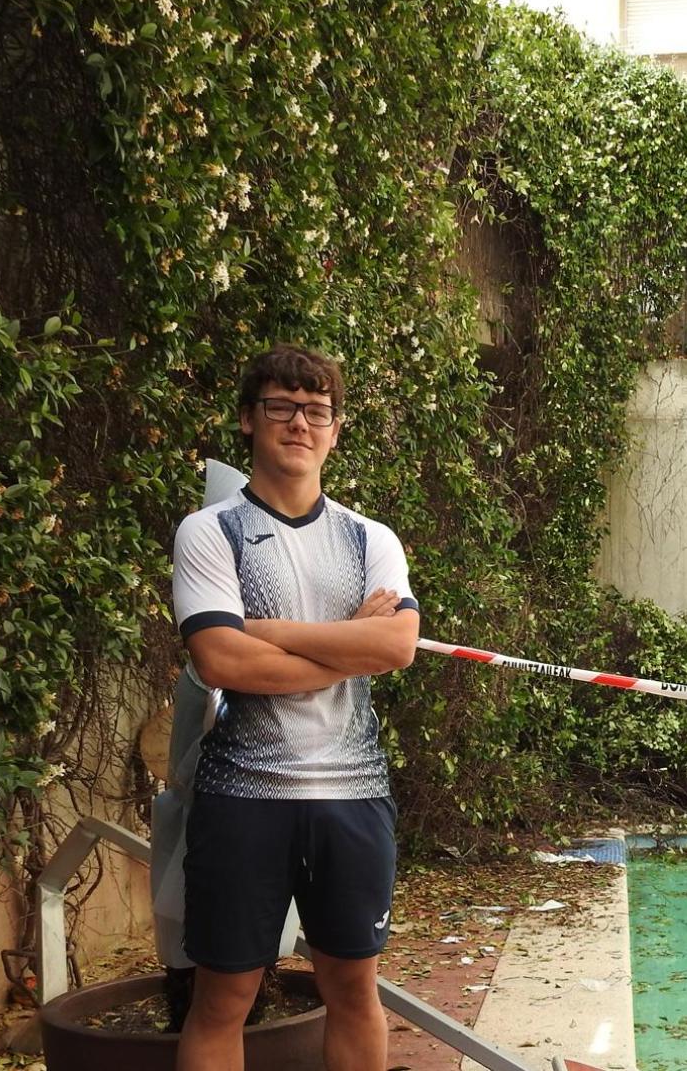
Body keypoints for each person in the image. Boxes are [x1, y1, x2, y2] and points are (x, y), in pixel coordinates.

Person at [169, 343, 419, 1070]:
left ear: (336, 429)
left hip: (353, 794)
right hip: (244, 794)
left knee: (353, 990)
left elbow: (397, 645)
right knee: (224, 998)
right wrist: (350, 641)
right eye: (281, 407)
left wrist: (271, 632)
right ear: (248, 420)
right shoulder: (209, 532)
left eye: (317, 410)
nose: (300, 423)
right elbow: (221, 660)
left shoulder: (370, 538)